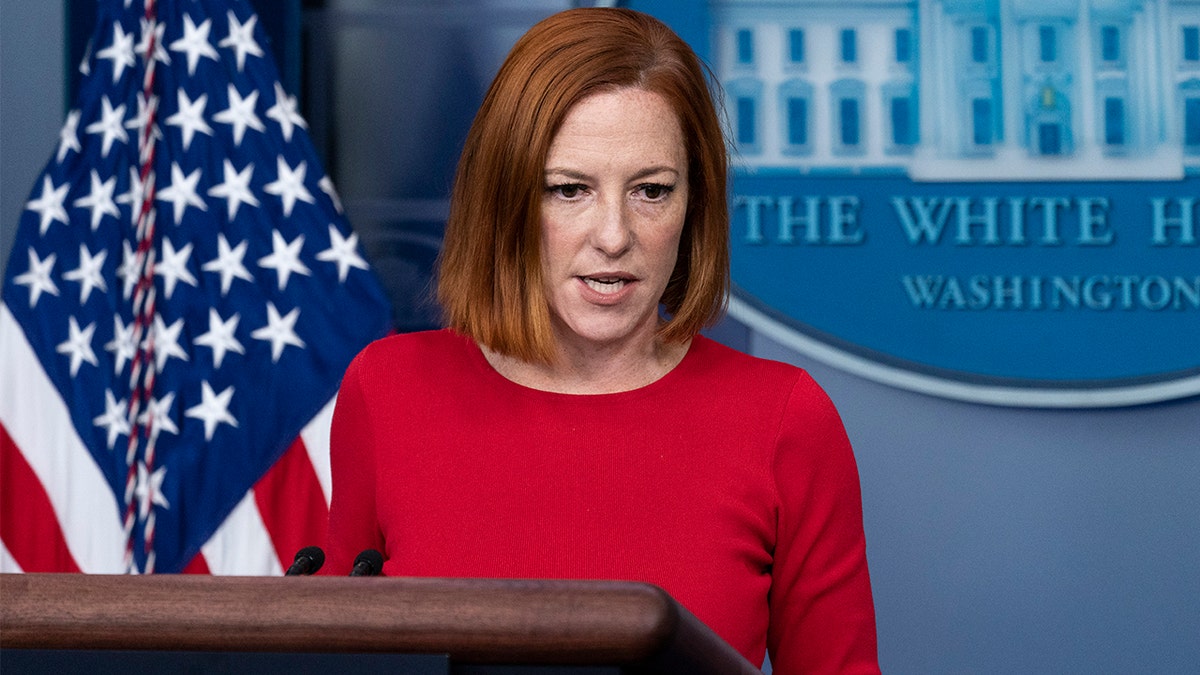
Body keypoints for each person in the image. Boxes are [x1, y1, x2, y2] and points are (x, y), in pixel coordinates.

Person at [324, 7, 879, 673]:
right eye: (568, 190)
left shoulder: (785, 417)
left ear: (692, 206)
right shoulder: (387, 390)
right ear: (504, 201)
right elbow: (335, 656)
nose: (614, 234)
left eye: (651, 190)